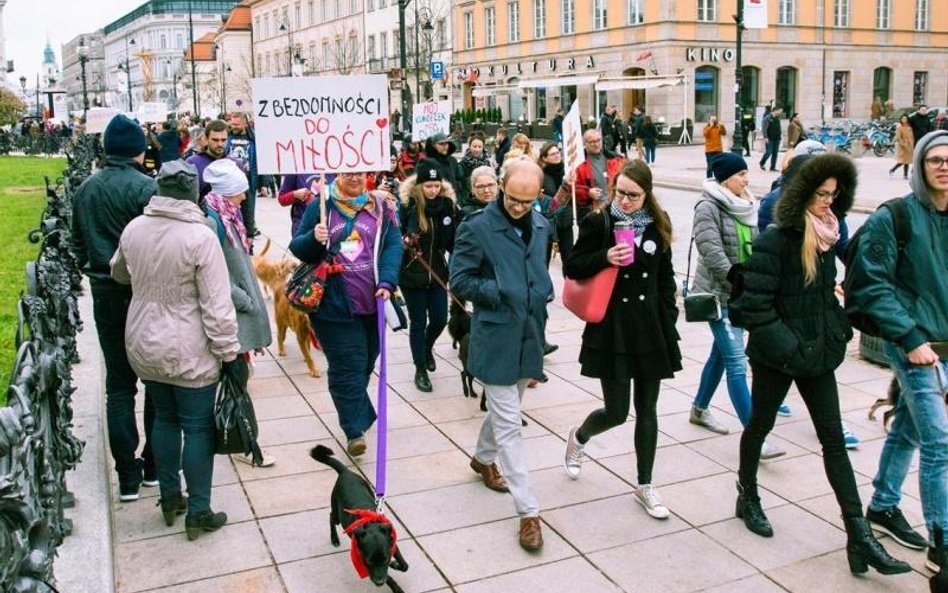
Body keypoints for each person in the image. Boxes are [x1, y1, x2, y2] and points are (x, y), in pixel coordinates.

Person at [735, 153, 911, 576]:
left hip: (816, 354)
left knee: (833, 441)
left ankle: (859, 536)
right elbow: (751, 306)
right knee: (759, 425)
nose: (828, 203)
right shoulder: (775, 240)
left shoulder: (828, 235)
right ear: (800, 196)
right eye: (820, 195)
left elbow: (831, 286)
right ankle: (747, 495)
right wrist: (791, 346)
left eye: (834, 195)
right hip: (779, 356)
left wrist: (834, 325)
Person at [110, 160, 240, 541]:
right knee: (197, 428)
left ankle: (170, 497)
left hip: (144, 341)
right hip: (189, 347)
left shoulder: (135, 227)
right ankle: (199, 510)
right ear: (192, 193)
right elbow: (217, 305)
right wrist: (229, 353)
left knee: (164, 419)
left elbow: (118, 271)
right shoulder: (200, 236)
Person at [848, 130, 948, 573]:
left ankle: (883, 506)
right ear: (920, 166)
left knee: (908, 428)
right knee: (939, 441)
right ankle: (941, 542)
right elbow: (871, 283)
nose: (944, 167)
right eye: (935, 160)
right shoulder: (897, 216)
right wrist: (909, 338)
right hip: (913, 343)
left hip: (943, 344)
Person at [561, 160, 681, 519]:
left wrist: (668, 317)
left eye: (633, 196)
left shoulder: (659, 227)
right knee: (617, 411)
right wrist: (605, 256)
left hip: (650, 328)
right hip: (611, 328)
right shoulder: (600, 221)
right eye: (620, 193)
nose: (625, 201)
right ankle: (579, 437)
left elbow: (665, 277)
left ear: (647, 195)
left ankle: (645, 485)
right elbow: (572, 266)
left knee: (648, 410)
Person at [449, 158, 553, 551]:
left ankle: (481, 458)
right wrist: (500, 292)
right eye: (512, 199)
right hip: (494, 336)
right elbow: (459, 280)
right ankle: (528, 512)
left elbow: (537, 271)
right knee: (511, 423)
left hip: (529, 334)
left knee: (505, 409)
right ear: (500, 186)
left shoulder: (542, 226)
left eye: (527, 202)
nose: (518, 207)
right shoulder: (475, 227)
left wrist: (540, 291)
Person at [71, 114, 158, 502]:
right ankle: (154, 464)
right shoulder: (146, 188)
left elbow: (75, 245)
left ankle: (127, 476)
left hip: (105, 292)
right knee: (156, 380)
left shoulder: (86, 188)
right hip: (144, 292)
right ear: (139, 150)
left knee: (119, 386)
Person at [288, 171, 403, 457]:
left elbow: (393, 244)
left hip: (372, 301)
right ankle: (354, 430)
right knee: (347, 366)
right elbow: (298, 247)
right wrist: (314, 238)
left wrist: (387, 281)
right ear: (337, 175)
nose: (354, 178)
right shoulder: (322, 203)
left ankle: (353, 406)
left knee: (365, 362)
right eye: (348, 173)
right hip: (333, 304)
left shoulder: (380, 205)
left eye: (360, 173)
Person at [687, 152, 786, 459]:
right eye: (741, 174)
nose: (746, 179)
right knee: (736, 361)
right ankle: (756, 436)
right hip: (720, 295)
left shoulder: (747, 205)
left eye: (746, 174)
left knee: (720, 354)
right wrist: (737, 278)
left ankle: (699, 409)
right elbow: (711, 249)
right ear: (725, 178)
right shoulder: (708, 206)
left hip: (742, 295)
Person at [202, 158, 276, 468]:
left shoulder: (227, 215)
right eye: (240, 192)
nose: (245, 198)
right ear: (227, 192)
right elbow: (212, 271)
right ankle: (248, 445)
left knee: (237, 380)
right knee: (237, 380)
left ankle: (240, 441)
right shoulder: (214, 222)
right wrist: (244, 300)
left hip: (235, 311)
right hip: (231, 313)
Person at [398, 160, 461, 393]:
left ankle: (426, 348)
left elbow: (452, 240)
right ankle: (420, 369)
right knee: (418, 322)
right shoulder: (408, 206)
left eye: (436, 185)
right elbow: (395, 233)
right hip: (411, 273)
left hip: (436, 272)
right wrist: (404, 241)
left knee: (439, 319)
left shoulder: (447, 206)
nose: (432, 190)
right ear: (419, 186)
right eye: (428, 186)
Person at [555, 129, 626, 261]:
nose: (596, 144)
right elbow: (572, 188)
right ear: (585, 143)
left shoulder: (615, 158)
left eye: (598, 140)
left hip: (615, 207)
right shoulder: (577, 162)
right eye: (591, 141)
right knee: (594, 243)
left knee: (613, 241)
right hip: (591, 210)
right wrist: (588, 192)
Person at [226, 113, 259, 237]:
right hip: (231, 183)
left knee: (248, 214)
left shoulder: (253, 139)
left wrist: (264, 183)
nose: (233, 126)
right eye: (232, 124)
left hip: (248, 183)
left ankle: (249, 242)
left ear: (245, 124)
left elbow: (258, 160)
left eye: (236, 124)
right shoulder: (227, 138)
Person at [459, 133, 492, 210]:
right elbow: (460, 186)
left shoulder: (487, 163)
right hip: (468, 203)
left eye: (479, 147)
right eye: (474, 146)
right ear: (470, 147)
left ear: (483, 148)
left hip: (485, 202)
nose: (477, 149)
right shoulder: (463, 164)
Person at [889, 113, 915, 179]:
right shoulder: (900, 128)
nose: (904, 120)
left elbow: (912, 136)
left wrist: (912, 143)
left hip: (910, 146)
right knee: (902, 161)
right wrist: (903, 144)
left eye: (905, 118)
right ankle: (892, 170)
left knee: (908, 161)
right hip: (903, 146)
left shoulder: (909, 127)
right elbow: (898, 137)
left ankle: (905, 175)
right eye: (903, 118)